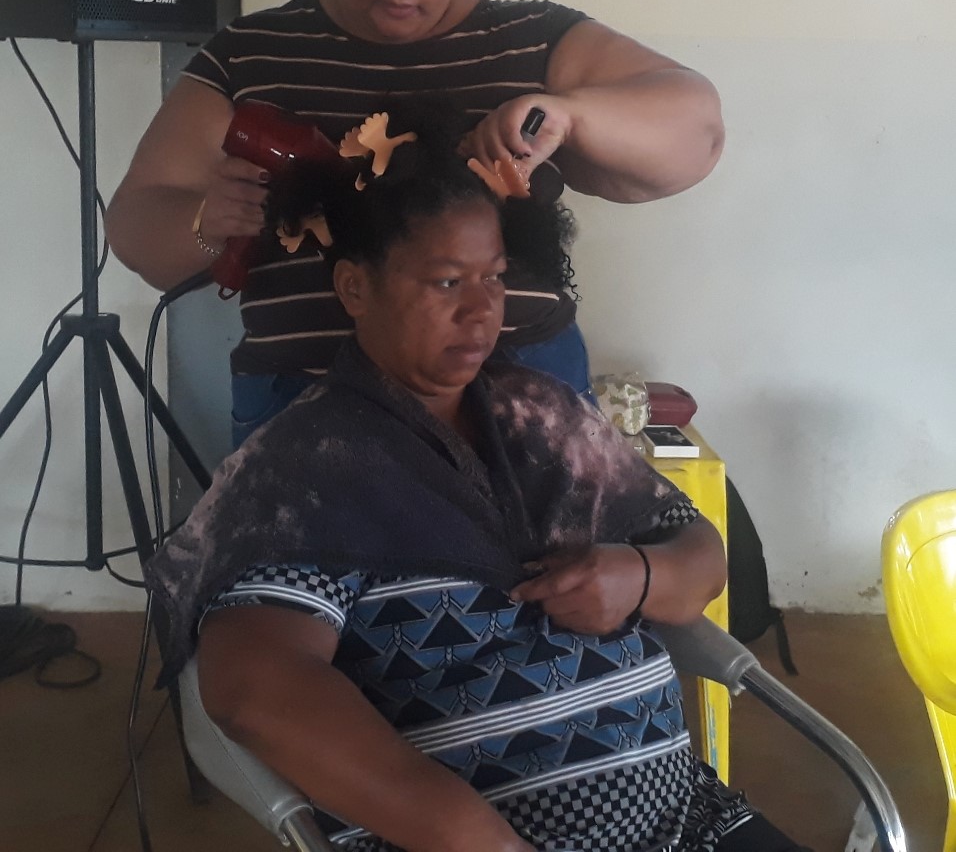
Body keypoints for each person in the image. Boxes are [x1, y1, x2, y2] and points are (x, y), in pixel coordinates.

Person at [145, 118, 808, 852]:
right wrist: (483, 843)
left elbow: (699, 558)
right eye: (446, 282)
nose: (481, 308)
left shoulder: (545, 417)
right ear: (355, 287)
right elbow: (258, 690)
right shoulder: (308, 467)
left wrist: (639, 576)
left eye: (493, 276)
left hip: (688, 823)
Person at [105, 0, 724, 445]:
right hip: (308, 414)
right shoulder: (252, 55)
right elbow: (134, 232)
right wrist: (205, 221)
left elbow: (696, 133)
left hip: (521, 401)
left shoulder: (532, 41)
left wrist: (571, 114)